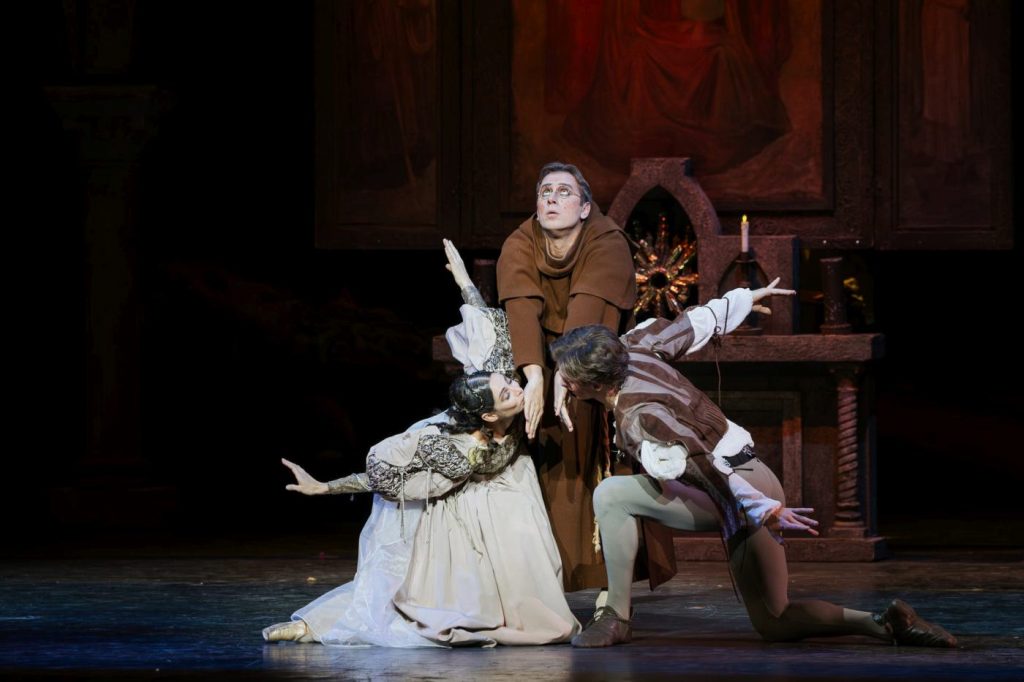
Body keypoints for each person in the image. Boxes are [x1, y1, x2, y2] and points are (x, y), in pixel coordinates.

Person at [549, 281, 958, 649]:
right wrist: (742, 300)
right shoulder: (634, 350)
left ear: (595, 385)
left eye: (568, 378)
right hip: (753, 474)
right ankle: (887, 623)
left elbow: (702, 466)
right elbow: (692, 324)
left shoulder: (641, 416)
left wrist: (760, 508)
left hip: (733, 488)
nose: (563, 381)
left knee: (613, 495)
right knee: (774, 618)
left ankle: (617, 616)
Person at [261, 240, 579, 647]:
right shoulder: (456, 450)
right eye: (507, 394)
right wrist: (325, 487)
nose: (516, 389)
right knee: (425, 589)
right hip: (462, 493)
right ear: (487, 415)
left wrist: (464, 280)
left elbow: (485, 327)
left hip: (510, 482)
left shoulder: (494, 380)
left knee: (525, 566)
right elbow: (389, 477)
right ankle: (319, 626)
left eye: (509, 384)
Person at [498, 161, 662, 592]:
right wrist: (535, 375)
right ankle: (533, 584)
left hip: (591, 361)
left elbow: (589, 308)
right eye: (544, 191)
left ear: (586, 207)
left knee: (593, 465)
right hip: (535, 357)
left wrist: (565, 373)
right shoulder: (519, 241)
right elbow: (520, 305)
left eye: (564, 192)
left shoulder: (607, 240)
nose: (551, 198)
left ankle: (610, 588)